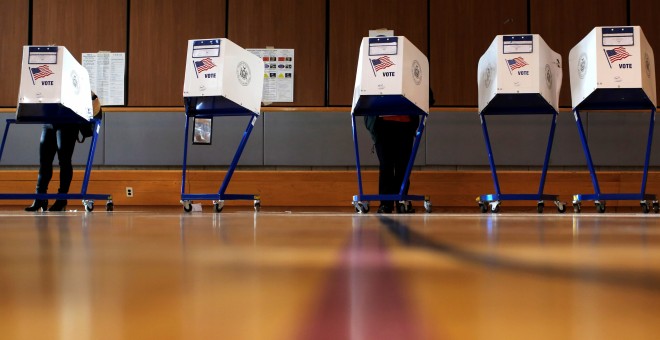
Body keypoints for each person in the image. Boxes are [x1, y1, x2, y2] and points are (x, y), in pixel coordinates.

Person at [25, 92, 102, 212]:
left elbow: (89, 96)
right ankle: (40, 198)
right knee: (44, 161)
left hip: (68, 122)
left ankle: (61, 199)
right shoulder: (51, 76)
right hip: (50, 120)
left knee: (64, 161)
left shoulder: (73, 75)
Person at [365, 89, 434, 213]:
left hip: (405, 124)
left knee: (403, 166)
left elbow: (425, 92)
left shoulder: (409, 70)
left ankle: (401, 201)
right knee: (386, 166)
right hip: (382, 124)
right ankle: (386, 204)